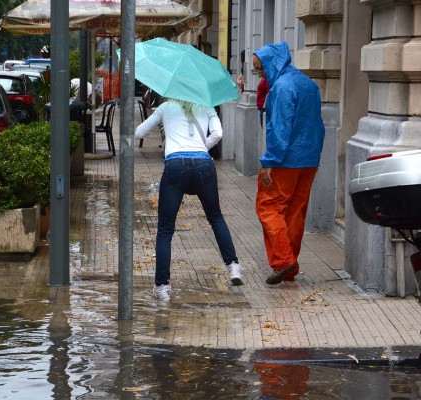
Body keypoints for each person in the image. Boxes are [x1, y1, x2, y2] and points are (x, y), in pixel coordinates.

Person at [135, 98, 244, 301]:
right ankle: (234, 267)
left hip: (175, 165)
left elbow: (139, 133)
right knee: (215, 217)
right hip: (203, 165)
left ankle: (162, 287)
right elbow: (218, 133)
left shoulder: (166, 107)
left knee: (166, 229)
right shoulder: (206, 105)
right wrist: (201, 146)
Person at [252, 41, 325, 285]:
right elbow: (316, 123)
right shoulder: (308, 83)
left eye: (260, 69)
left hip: (286, 159)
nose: (260, 74)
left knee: (269, 207)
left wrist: (270, 160)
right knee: (295, 211)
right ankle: (290, 266)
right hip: (309, 158)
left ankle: (284, 261)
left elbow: (280, 128)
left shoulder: (282, 87)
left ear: (271, 63)